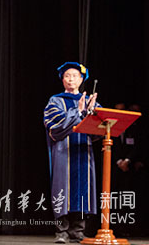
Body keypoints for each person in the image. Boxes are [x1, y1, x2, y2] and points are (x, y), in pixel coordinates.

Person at [43, 62, 98, 244]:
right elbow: (54, 124)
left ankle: (78, 230)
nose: (71, 79)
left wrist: (92, 111)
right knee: (62, 188)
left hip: (83, 150)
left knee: (83, 189)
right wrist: (79, 112)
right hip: (63, 151)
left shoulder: (89, 101)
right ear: (62, 80)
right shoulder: (55, 101)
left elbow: (99, 126)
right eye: (67, 76)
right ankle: (62, 231)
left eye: (75, 76)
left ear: (81, 80)